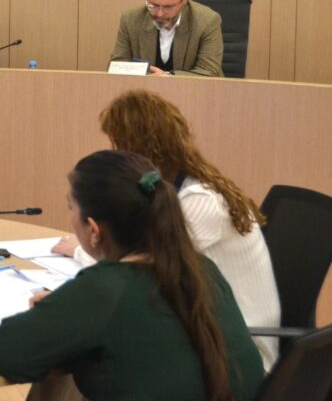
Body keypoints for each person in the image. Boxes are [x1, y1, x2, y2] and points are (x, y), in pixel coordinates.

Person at [0, 150, 264, 401]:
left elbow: (4, 353)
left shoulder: (105, 288)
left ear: (94, 230)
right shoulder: (203, 269)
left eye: (71, 207)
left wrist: (56, 313)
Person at [52, 89, 280, 369]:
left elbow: (139, 274)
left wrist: (82, 251)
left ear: (136, 148)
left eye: (117, 145)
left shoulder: (201, 203)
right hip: (207, 329)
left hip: (243, 354)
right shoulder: (172, 190)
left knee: (107, 353)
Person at [110, 0, 223, 76]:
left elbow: (208, 72)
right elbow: (116, 67)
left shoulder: (208, 21)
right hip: (145, 87)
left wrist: (168, 77)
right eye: (153, 5)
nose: (159, 14)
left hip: (190, 88)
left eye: (168, 7)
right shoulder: (130, 20)